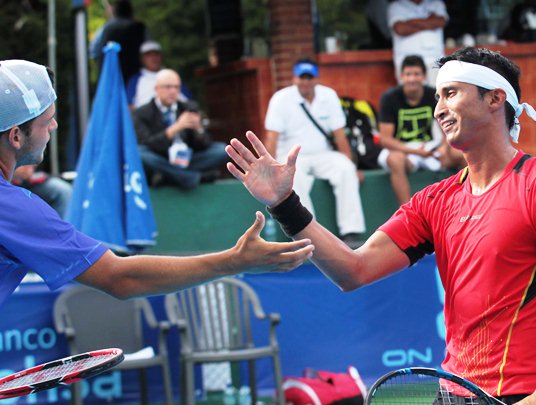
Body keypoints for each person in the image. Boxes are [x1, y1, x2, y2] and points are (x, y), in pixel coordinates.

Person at [226, 47, 536, 405]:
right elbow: (352, 270)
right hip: (452, 400)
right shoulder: (434, 201)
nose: (439, 108)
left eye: (451, 93)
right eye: (437, 96)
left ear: (495, 98)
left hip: (525, 404)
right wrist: (284, 203)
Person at [0, 59, 314, 309]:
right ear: (16, 136)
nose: (54, 125)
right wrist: (233, 261)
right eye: (47, 119)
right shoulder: (13, 207)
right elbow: (119, 278)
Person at [263, 58, 366, 245]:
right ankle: (308, 233)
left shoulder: (329, 96)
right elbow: (272, 138)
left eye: (310, 77)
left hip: (323, 154)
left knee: (344, 169)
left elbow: (339, 135)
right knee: (295, 177)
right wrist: (270, 169)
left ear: (317, 79)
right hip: (291, 156)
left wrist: (352, 165)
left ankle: (351, 231)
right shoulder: (280, 99)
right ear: (294, 79)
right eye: (302, 77)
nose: (305, 82)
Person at [378, 55, 464, 204]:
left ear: (424, 76)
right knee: (394, 159)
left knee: (461, 153)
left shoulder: (434, 94)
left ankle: (469, 202)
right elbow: (385, 140)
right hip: (404, 151)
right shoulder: (389, 98)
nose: (412, 79)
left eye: (416, 74)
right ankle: (407, 214)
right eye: (408, 74)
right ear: (401, 76)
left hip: (430, 148)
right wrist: (416, 152)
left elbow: (450, 124)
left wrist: (444, 147)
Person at [133, 69, 227, 189]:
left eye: (176, 87)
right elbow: (147, 143)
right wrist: (176, 128)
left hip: (185, 159)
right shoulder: (142, 113)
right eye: (168, 87)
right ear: (156, 89)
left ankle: (169, 177)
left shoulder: (188, 108)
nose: (172, 91)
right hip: (161, 158)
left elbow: (204, 144)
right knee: (140, 153)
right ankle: (191, 178)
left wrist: (198, 130)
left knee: (222, 150)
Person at [387, 0, 448, 86]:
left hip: (435, 61)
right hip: (408, 62)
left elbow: (440, 22)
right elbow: (401, 29)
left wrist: (410, 22)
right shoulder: (396, 6)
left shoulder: (436, 3)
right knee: (412, 97)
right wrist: (429, 21)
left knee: (438, 96)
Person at [92, 0, 147, 84]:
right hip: (136, 76)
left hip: (111, 76)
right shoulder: (140, 28)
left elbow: (94, 51)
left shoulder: (106, 28)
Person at [126, 40, 192, 110]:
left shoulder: (172, 76)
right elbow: (129, 105)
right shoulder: (135, 80)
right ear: (142, 58)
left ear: (161, 56)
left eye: (156, 54)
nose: (153, 58)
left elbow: (187, 101)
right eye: (148, 55)